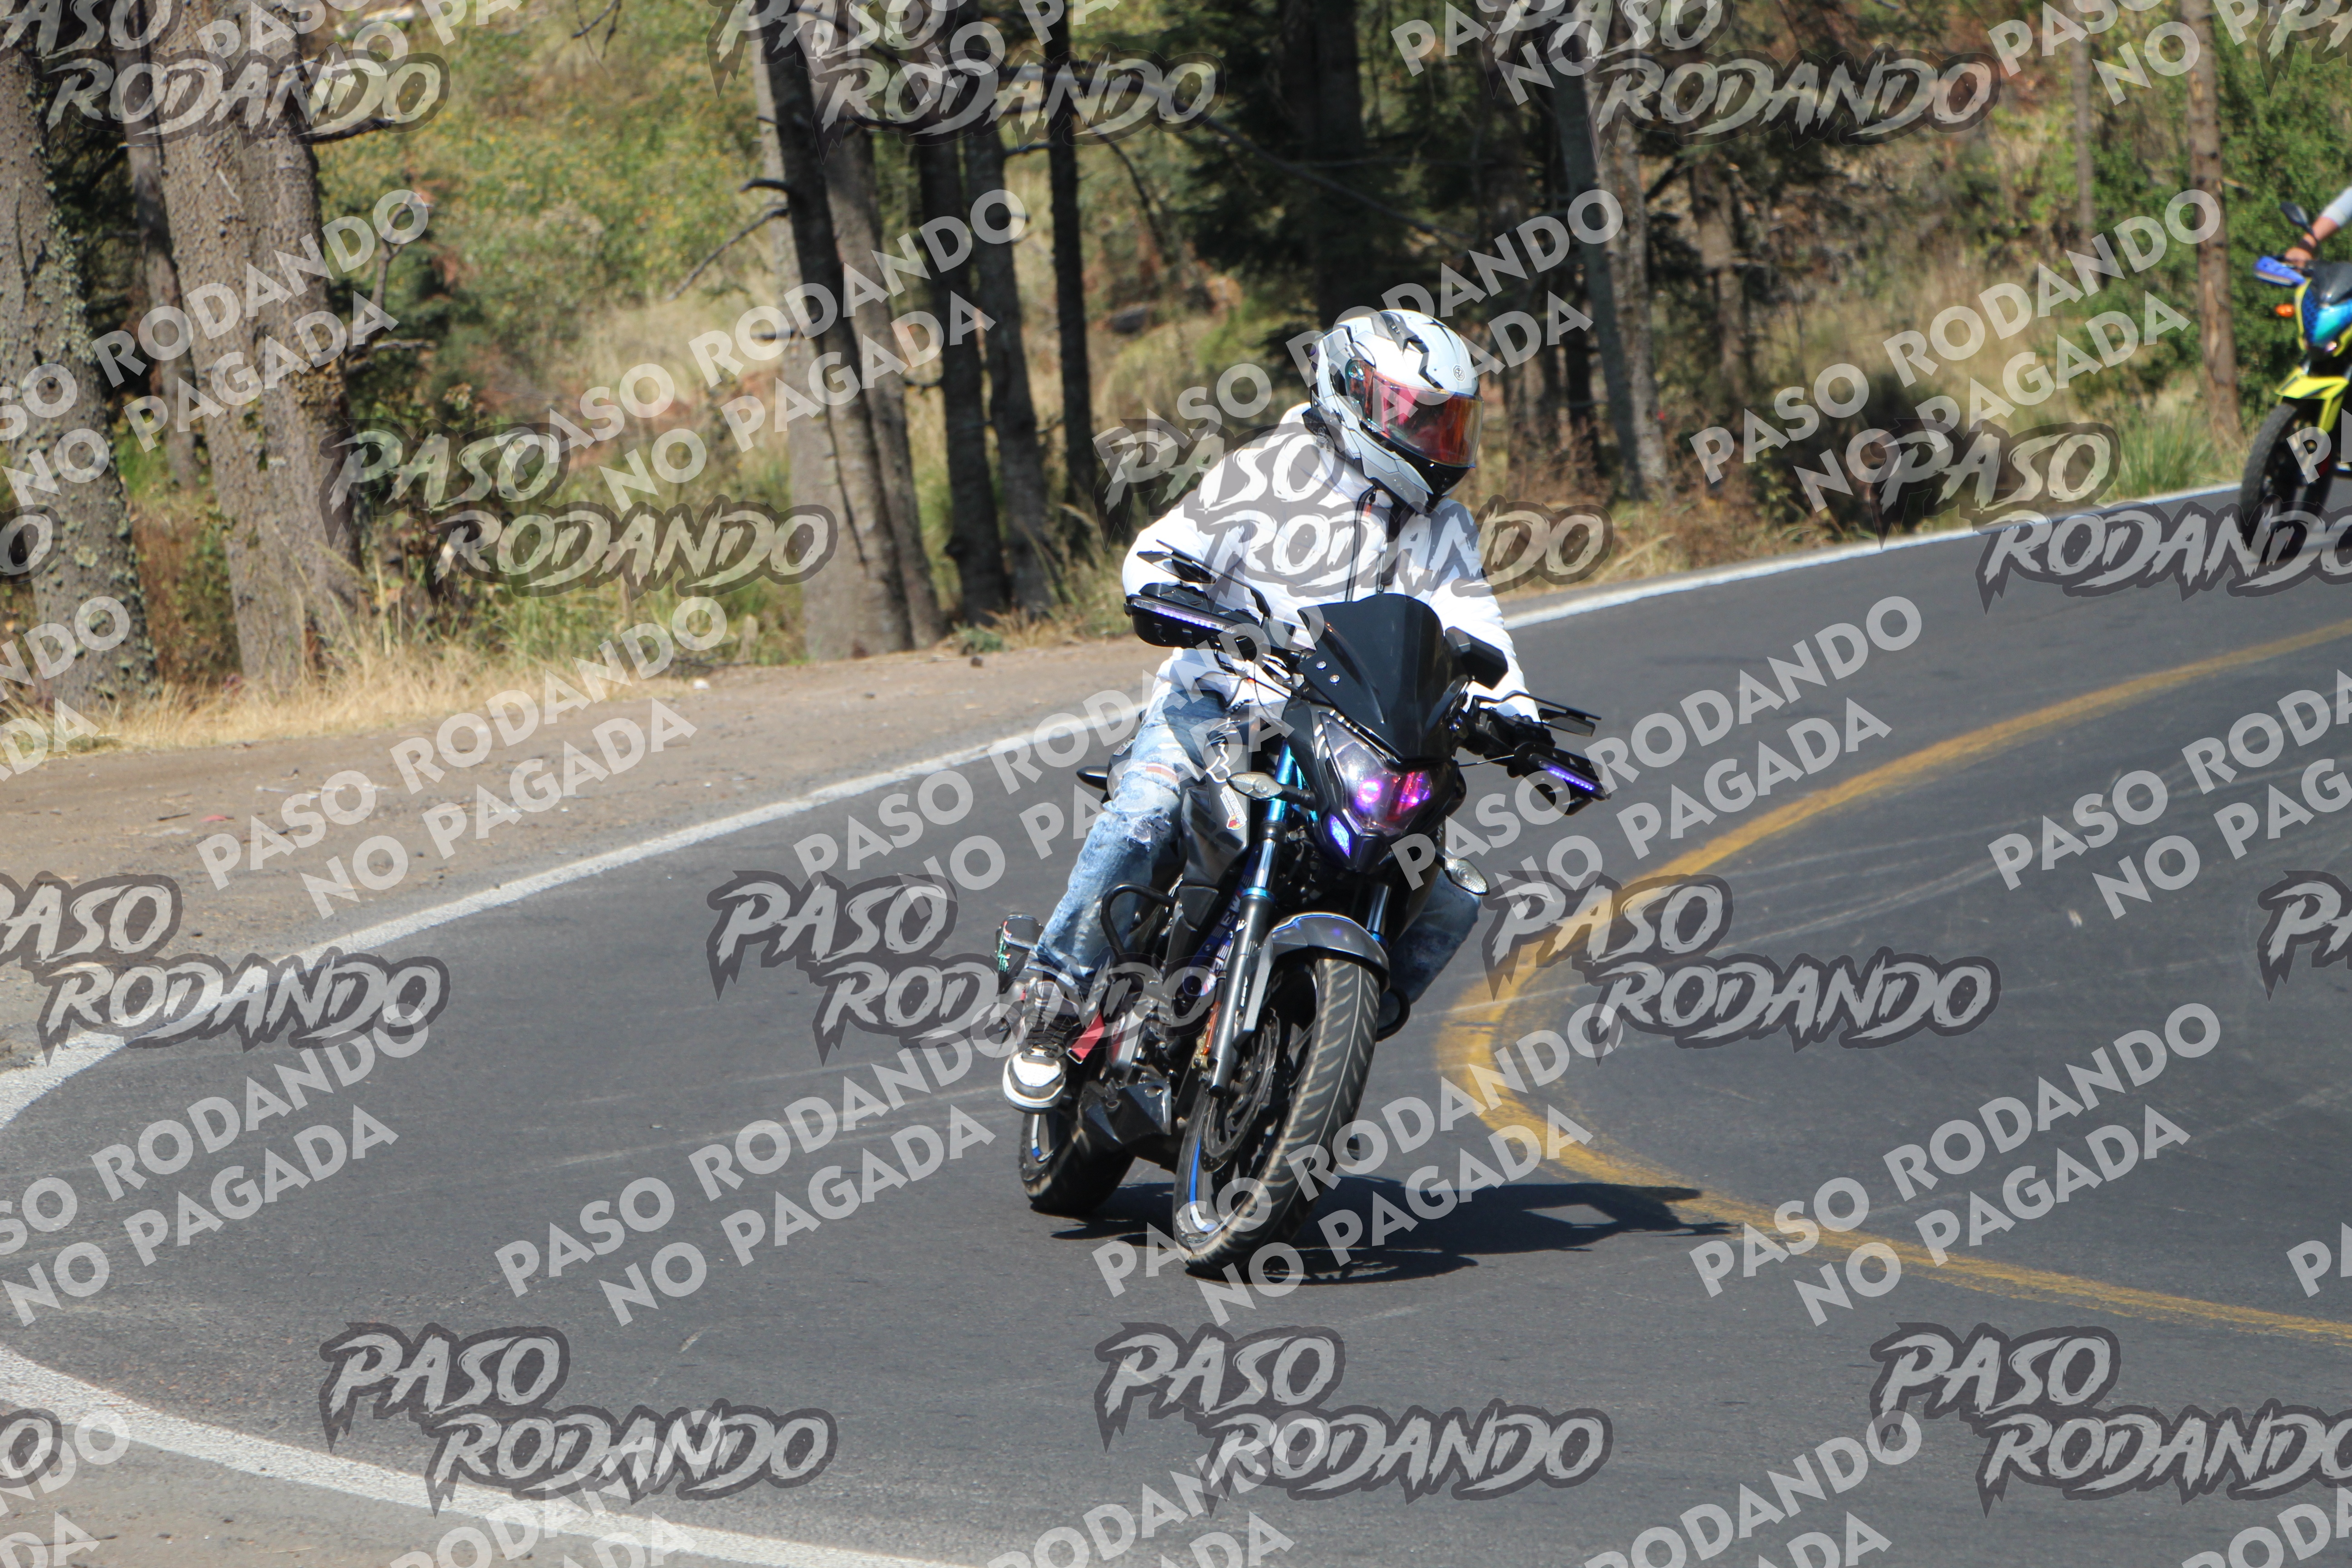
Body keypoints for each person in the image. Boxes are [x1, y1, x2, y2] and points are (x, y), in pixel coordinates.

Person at [1001, 307, 1553, 1111]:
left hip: (1349, 731)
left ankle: (1326, 1035)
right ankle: (1053, 999)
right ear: (1353, 395)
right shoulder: (1270, 470)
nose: (1436, 439)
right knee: (1147, 812)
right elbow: (1159, 553)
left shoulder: (1443, 524)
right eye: (1418, 416)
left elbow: (1475, 624)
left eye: (1450, 422)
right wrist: (1170, 595)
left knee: (1445, 889)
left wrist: (1519, 719)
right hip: (1221, 703)